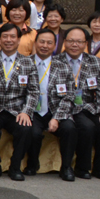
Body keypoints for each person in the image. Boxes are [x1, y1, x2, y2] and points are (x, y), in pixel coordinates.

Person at [47, 26, 100, 180]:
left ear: (85, 43)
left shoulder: (95, 62)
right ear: (64, 42)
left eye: (79, 41)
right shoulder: (54, 62)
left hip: (89, 106)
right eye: (71, 41)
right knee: (87, 127)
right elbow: (51, 90)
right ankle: (82, 168)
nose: (74, 44)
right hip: (65, 107)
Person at [0, 23, 38, 181]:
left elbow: (33, 91)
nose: (9, 40)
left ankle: (15, 167)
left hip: (16, 110)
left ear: (19, 40)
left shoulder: (28, 63)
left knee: (25, 128)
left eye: (13, 37)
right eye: (5, 36)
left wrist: (26, 111)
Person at [24, 27, 60, 176]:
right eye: (42, 42)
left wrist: (57, 117)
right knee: (33, 133)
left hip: (54, 110)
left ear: (55, 45)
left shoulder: (62, 65)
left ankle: (67, 167)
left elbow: (69, 95)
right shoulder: (24, 63)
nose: (45, 46)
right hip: (31, 109)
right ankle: (32, 164)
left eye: (49, 43)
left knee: (70, 129)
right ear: (35, 43)